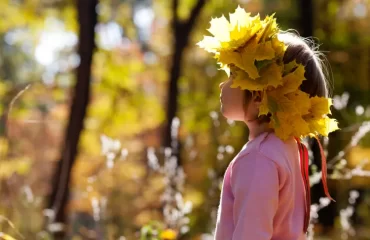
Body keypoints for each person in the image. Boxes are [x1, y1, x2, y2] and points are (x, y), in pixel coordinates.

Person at [197, 6, 339, 240]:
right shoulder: (287, 149)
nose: (223, 85)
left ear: (259, 95)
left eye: (233, 76)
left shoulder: (258, 158)